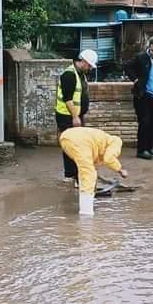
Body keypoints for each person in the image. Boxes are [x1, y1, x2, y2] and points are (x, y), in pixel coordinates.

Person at [59, 127, 128, 216]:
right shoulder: (116, 142)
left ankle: (90, 198)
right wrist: (120, 169)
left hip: (66, 138)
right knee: (88, 174)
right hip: (79, 141)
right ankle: (86, 214)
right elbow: (109, 158)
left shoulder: (100, 143)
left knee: (88, 170)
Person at [55, 49, 98, 183]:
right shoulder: (69, 75)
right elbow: (68, 99)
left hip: (76, 115)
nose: (90, 68)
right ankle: (73, 175)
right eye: (89, 65)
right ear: (83, 61)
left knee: (76, 144)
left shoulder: (80, 74)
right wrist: (75, 117)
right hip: (67, 116)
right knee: (72, 145)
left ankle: (74, 174)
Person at [124, 39, 153, 160]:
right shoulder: (141, 58)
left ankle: (149, 148)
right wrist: (135, 80)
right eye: (152, 50)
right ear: (149, 48)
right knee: (144, 122)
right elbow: (127, 67)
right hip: (143, 96)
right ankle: (141, 150)